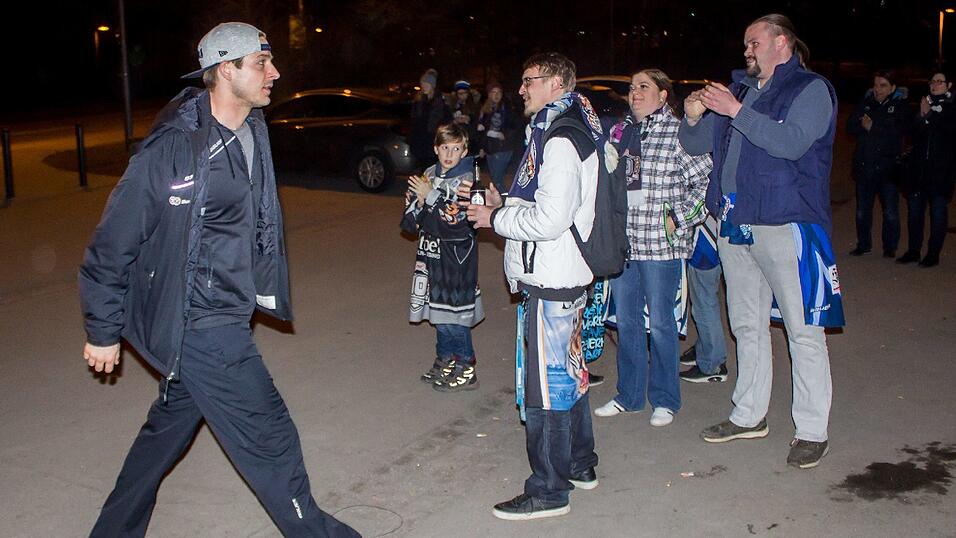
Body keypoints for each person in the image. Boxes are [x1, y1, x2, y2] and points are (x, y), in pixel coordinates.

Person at [78, 22, 359, 537]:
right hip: (201, 320)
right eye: (261, 64)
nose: (274, 73)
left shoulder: (253, 130)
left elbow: (256, 221)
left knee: (164, 435)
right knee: (271, 440)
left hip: (231, 307)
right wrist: (102, 328)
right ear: (226, 70)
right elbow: (113, 240)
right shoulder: (173, 150)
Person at [679, 13, 843, 469]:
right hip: (736, 221)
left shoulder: (809, 90)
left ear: (781, 42)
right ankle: (748, 415)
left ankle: (812, 429)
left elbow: (790, 143)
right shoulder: (743, 91)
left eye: (754, 42)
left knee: (802, 330)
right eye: (745, 44)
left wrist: (736, 111)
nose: (746, 50)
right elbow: (697, 147)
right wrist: (694, 119)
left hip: (785, 221)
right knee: (747, 325)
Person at [462, 52, 602, 520]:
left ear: (558, 82)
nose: (521, 89)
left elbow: (551, 218)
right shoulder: (560, 128)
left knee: (546, 390)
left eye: (529, 81)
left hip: (553, 278)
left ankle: (548, 489)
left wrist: (495, 217)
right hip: (562, 275)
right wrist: (503, 201)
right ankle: (580, 465)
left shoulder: (560, 139)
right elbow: (541, 201)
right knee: (571, 375)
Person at [592, 69, 711, 427]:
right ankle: (629, 396)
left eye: (644, 87)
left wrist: (678, 220)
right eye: (631, 88)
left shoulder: (678, 131)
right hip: (626, 247)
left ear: (662, 96)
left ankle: (665, 398)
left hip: (661, 247)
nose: (635, 92)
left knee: (661, 324)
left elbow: (705, 182)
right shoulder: (622, 132)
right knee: (626, 323)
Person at [402, 123, 484, 391]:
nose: (449, 154)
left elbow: (458, 220)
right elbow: (416, 215)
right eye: (445, 147)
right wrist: (415, 201)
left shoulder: (468, 180)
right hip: (431, 254)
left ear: (465, 151)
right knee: (439, 314)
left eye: (456, 148)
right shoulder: (428, 173)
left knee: (455, 316)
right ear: (436, 149)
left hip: (456, 258)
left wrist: (431, 197)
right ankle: (446, 358)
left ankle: (466, 366)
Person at [848, 70, 909, 257]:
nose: (877, 89)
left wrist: (872, 128)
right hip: (865, 166)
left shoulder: (900, 106)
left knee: (890, 211)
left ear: (892, 88)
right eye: (876, 85)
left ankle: (890, 247)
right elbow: (850, 126)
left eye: (883, 85)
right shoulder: (866, 102)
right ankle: (863, 244)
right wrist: (863, 125)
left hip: (887, 169)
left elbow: (897, 134)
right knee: (862, 211)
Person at [897, 71, 956, 267]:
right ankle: (914, 250)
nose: (935, 85)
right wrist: (921, 118)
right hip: (918, 170)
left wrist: (929, 115)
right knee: (915, 212)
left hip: (941, 172)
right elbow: (910, 132)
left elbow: (948, 131)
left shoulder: (952, 107)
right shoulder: (922, 104)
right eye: (933, 81)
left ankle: (933, 253)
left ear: (949, 85)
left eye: (940, 81)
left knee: (938, 213)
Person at [678, 214, 730, 383]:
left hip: (706, 238)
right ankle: (706, 348)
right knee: (705, 299)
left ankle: (712, 363)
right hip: (723, 232)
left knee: (703, 302)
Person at [477, 81, 517, 193]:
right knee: (495, 179)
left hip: (503, 148)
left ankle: (503, 202)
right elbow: (484, 132)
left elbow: (514, 126)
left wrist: (502, 135)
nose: (496, 95)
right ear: (489, 94)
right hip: (490, 149)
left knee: (497, 179)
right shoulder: (486, 109)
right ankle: (501, 202)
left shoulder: (507, 108)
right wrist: (482, 147)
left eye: (499, 92)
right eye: (493, 92)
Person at [410, 68, 452, 170]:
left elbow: (446, 119)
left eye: (427, 84)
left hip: (433, 140)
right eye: (423, 84)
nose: (424, 86)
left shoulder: (439, 101)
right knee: (423, 170)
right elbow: (414, 120)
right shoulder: (418, 100)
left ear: (432, 85)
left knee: (433, 169)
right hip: (420, 141)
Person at [452, 79, 480, 144]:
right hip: (456, 138)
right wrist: (455, 121)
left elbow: (478, 120)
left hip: (471, 139)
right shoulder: (452, 105)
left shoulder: (474, 105)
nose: (462, 96)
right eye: (460, 93)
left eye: (465, 93)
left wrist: (469, 119)